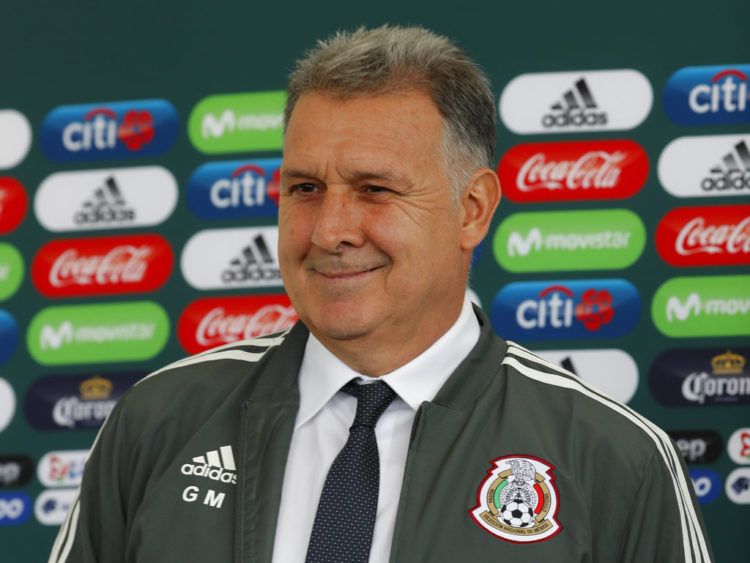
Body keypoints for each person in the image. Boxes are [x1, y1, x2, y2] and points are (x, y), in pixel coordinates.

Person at [49, 25, 713, 563]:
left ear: (473, 209)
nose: (331, 230)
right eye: (305, 188)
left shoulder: (611, 458)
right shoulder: (159, 421)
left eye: (375, 189)